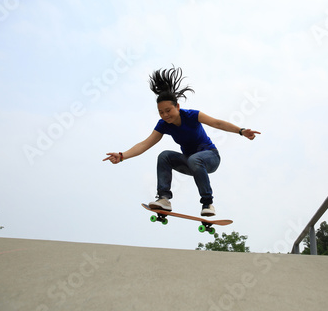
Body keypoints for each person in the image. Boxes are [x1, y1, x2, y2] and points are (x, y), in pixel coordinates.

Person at [103, 66, 260, 216]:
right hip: (190, 163)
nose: (165, 115)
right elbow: (145, 144)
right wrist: (122, 155)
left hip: (210, 158)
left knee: (195, 158)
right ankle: (164, 198)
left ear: (177, 106)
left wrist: (241, 131)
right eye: (161, 112)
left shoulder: (192, 115)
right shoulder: (163, 125)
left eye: (168, 110)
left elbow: (217, 123)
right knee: (164, 156)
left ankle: (207, 203)